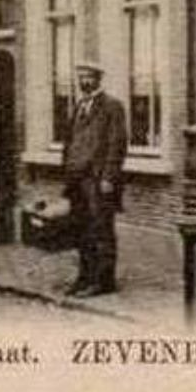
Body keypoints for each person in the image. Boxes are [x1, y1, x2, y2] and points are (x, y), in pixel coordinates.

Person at [60, 61, 128, 296]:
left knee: (101, 230)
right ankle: (84, 277)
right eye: (81, 77)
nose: (84, 81)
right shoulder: (78, 106)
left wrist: (109, 177)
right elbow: (69, 143)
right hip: (77, 180)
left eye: (89, 77)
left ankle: (103, 281)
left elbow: (117, 145)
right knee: (81, 230)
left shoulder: (112, 107)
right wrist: (67, 172)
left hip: (98, 180)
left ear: (98, 78)